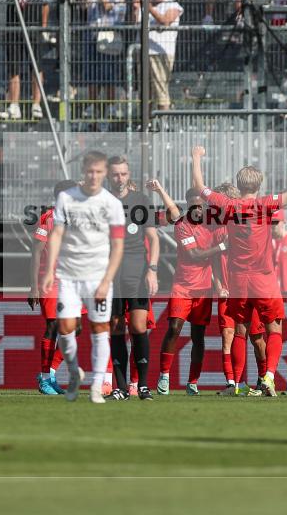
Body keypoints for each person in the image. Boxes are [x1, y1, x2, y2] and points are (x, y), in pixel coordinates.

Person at [191, 143, 287, 397]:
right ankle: (269, 377)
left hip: (238, 279)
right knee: (274, 329)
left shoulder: (228, 205)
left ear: (239, 185)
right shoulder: (265, 204)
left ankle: (235, 385)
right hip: (264, 279)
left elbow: (199, 187)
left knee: (240, 330)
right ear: (259, 185)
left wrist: (196, 157)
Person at [40, 150, 125, 404]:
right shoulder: (67, 198)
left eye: (99, 172)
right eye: (90, 171)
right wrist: (47, 271)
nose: (94, 176)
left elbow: (118, 245)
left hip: (98, 277)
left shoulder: (112, 204)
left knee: (100, 329)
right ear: (83, 171)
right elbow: (55, 235)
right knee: (65, 329)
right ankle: (74, 369)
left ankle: (98, 384)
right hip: (68, 276)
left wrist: (107, 279)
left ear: (104, 174)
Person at [148, 183, 226, 396]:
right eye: (193, 206)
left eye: (200, 206)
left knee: (198, 337)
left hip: (203, 289)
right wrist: (221, 246)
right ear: (188, 206)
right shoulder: (182, 225)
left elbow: (218, 257)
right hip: (182, 286)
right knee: (174, 328)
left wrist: (219, 285)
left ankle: (193, 382)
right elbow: (195, 254)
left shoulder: (212, 226)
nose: (197, 210)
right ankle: (164, 375)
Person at [104, 155, 159, 401]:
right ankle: (121, 387)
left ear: (129, 174)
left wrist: (153, 270)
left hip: (137, 271)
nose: (120, 178)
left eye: (124, 174)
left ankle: (144, 385)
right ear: (108, 175)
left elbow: (154, 238)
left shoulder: (141, 200)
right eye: (115, 174)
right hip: (110, 273)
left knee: (138, 326)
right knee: (116, 328)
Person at [210, 182, 263, 396]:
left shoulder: (246, 225)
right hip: (227, 292)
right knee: (228, 335)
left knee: (256, 337)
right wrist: (219, 286)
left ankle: (263, 379)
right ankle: (233, 383)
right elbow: (214, 263)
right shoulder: (216, 231)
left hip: (249, 288)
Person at [29, 180, 80, 395]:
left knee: (75, 328)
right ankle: (45, 377)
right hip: (51, 282)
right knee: (53, 326)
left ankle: (48, 374)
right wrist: (33, 287)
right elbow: (37, 251)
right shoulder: (48, 218)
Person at [0, 0, 51, 120]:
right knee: (14, 69)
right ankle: (14, 105)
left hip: (32, 28)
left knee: (36, 68)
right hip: (14, 29)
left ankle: (36, 104)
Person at [81, 0, 126, 119]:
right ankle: (92, 105)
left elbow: (108, 7)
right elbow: (85, 7)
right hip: (93, 35)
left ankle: (111, 106)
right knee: (92, 74)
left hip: (109, 36)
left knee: (109, 74)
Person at [132, 0, 182, 112]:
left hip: (160, 53)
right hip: (142, 52)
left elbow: (165, 21)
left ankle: (162, 122)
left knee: (161, 90)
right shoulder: (146, 4)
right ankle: (145, 124)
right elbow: (135, 24)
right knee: (144, 92)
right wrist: (136, 9)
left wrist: (149, 8)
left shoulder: (172, 4)